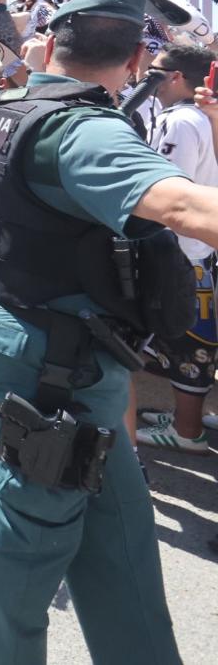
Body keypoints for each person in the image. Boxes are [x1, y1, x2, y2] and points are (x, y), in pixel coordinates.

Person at [0, 0, 218, 664]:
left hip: (25, 338)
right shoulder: (83, 129)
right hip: (59, 371)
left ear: (51, 46)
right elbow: (185, 206)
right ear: (137, 56)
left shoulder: (2, 107)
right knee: (20, 564)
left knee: (121, 540)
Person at [134, 44, 218, 452]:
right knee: (181, 343)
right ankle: (187, 421)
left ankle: (187, 433)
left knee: (187, 346)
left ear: (176, 77)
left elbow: (169, 188)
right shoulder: (197, 116)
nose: (146, 76)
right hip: (194, 247)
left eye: (155, 71)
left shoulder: (180, 121)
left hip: (182, 250)